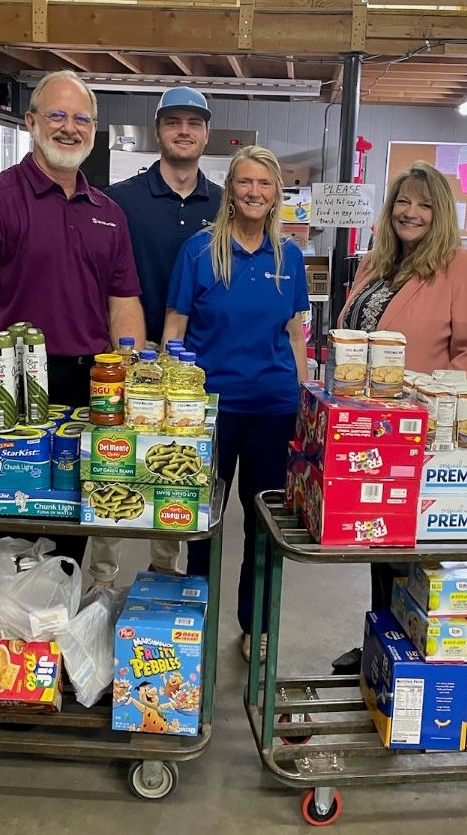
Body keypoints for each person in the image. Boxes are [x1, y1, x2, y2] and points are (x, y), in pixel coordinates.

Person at [0, 69, 145, 578]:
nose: (70, 128)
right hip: (12, 384)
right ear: (30, 122)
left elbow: (124, 301)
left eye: (82, 118)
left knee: (75, 526)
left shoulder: (108, 213)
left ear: (94, 130)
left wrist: (131, 358)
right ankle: (9, 643)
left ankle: (58, 640)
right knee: (13, 528)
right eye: (57, 115)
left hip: (89, 385)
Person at [331, 159, 467, 673]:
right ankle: (381, 642)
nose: (411, 212)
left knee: (411, 554)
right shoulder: (375, 262)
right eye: (403, 201)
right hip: (367, 426)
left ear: (439, 212)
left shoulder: (461, 265)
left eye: (424, 204)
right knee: (380, 539)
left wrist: (447, 426)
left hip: (421, 432)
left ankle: (412, 658)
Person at [164, 145, 309, 663]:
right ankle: (195, 620)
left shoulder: (289, 255)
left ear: (276, 195)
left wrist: (303, 395)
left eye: (264, 184)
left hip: (273, 405)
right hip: (209, 409)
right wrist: (172, 400)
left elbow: (296, 334)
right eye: (245, 182)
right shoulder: (200, 251)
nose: (254, 192)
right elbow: (175, 329)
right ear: (231, 191)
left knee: (263, 521)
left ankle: (257, 625)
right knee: (203, 521)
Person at [90, 86, 222, 581]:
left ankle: (161, 578)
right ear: (158, 131)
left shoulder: (226, 206)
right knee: (114, 463)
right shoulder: (119, 201)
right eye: (174, 122)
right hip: (126, 357)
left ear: (206, 133)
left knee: (175, 467)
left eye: (194, 122)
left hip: (191, 366)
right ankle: (101, 582)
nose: (184, 131)